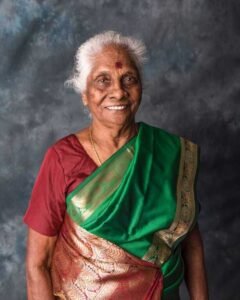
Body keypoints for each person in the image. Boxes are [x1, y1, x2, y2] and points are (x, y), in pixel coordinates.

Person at [23, 31, 209, 300]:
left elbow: (191, 245)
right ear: (85, 94)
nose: (118, 92)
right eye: (103, 81)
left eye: (129, 79)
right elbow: (37, 265)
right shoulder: (62, 158)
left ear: (140, 87)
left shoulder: (170, 153)